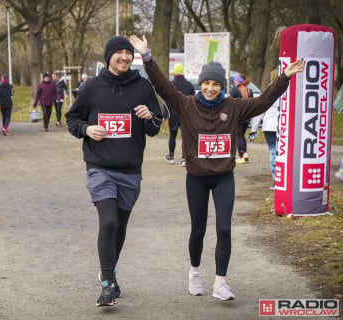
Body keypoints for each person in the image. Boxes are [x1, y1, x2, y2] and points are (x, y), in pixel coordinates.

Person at [129, 34, 305, 301]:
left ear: (222, 86)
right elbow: (163, 86)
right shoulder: (186, 104)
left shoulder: (232, 106)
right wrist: (146, 56)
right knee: (198, 228)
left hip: (224, 178)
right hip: (196, 179)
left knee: (224, 228)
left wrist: (284, 78)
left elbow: (263, 102)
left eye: (215, 84)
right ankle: (195, 272)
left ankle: (221, 282)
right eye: (206, 83)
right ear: (200, 85)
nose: (210, 88)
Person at [65, 35, 162, 307]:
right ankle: (107, 284)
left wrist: (149, 117)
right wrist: (87, 129)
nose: (124, 57)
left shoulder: (143, 87)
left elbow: (154, 128)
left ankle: (110, 273)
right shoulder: (92, 87)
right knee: (107, 222)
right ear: (108, 57)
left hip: (130, 170)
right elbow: (72, 119)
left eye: (128, 53)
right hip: (100, 167)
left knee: (119, 228)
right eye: (118, 53)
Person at [249, 69, 279, 188]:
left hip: (269, 125)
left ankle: (275, 179)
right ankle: (283, 177)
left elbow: (259, 111)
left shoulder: (268, 92)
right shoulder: (288, 92)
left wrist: (253, 130)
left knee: (273, 150)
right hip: (283, 125)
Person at [164, 63, 195, 166]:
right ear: (182, 72)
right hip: (185, 114)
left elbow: (167, 101)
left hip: (173, 113)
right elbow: (193, 100)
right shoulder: (189, 85)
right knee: (185, 136)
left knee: (172, 135)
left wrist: (164, 115)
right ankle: (183, 159)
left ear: (174, 72)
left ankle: (171, 157)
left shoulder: (171, 84)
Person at [230, 74, 253, 164]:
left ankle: (241, 157)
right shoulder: (250, 91)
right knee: (242, 136)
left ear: (238, 81)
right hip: (247, 117)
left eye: (235, 80)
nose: (234, 82)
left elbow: (230, 103)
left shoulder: (235, 90)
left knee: (238, 136)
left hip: (238, 117)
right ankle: (245, 153)